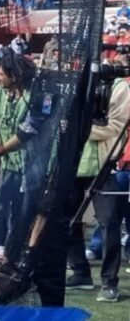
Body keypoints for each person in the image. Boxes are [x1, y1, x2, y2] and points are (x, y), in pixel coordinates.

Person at [65, 49, 130, 303]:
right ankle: (80, 272)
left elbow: (115, 126)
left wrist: (78, 129)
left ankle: (109, 283)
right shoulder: (71, 85)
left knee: (109, 223)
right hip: (72, 164)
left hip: (106, 163)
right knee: (68, 219)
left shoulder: (118, 87)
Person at [0, 49, 34, 266]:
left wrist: (1, 148)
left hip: (28, 166)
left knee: (20, 214)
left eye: (1, 74)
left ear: (14, 76)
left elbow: (28, 130)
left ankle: (10, 257)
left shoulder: (34, 96)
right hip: (3, 165)